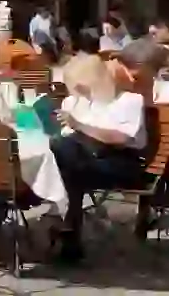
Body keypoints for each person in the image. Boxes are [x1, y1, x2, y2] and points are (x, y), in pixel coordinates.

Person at [50, 53, 147, 264]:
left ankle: (64, 224)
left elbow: (120, 138)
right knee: (63, 156)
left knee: (64, 154)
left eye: (83, 87)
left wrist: (79, 126)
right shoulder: (78, 102)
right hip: (83, 162)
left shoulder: (130, 101)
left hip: (120, 162)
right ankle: (69, 232)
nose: (80, 93)